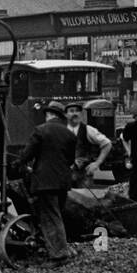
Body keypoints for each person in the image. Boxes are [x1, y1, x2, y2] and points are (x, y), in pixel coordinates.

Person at [20, 100, 76, 264]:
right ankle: (61, 247)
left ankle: (59, 255)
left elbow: (27, 155)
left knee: (50, 217)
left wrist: (20, 164)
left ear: (49, 115)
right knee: (58, 215)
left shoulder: (41, 130)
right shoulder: (70, 134)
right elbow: (70, 159)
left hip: (45, 182)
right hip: (63, 182)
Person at [64, 103, 113, 185]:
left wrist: (97, 163)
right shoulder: (61, 130)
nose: (75, 113)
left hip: (83, 176)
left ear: (81, 114)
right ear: (65, 114)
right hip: (63, 175)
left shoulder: (88, 129)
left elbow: (107, 144)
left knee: (84, 197)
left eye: (77, 111)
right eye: (71, 111)